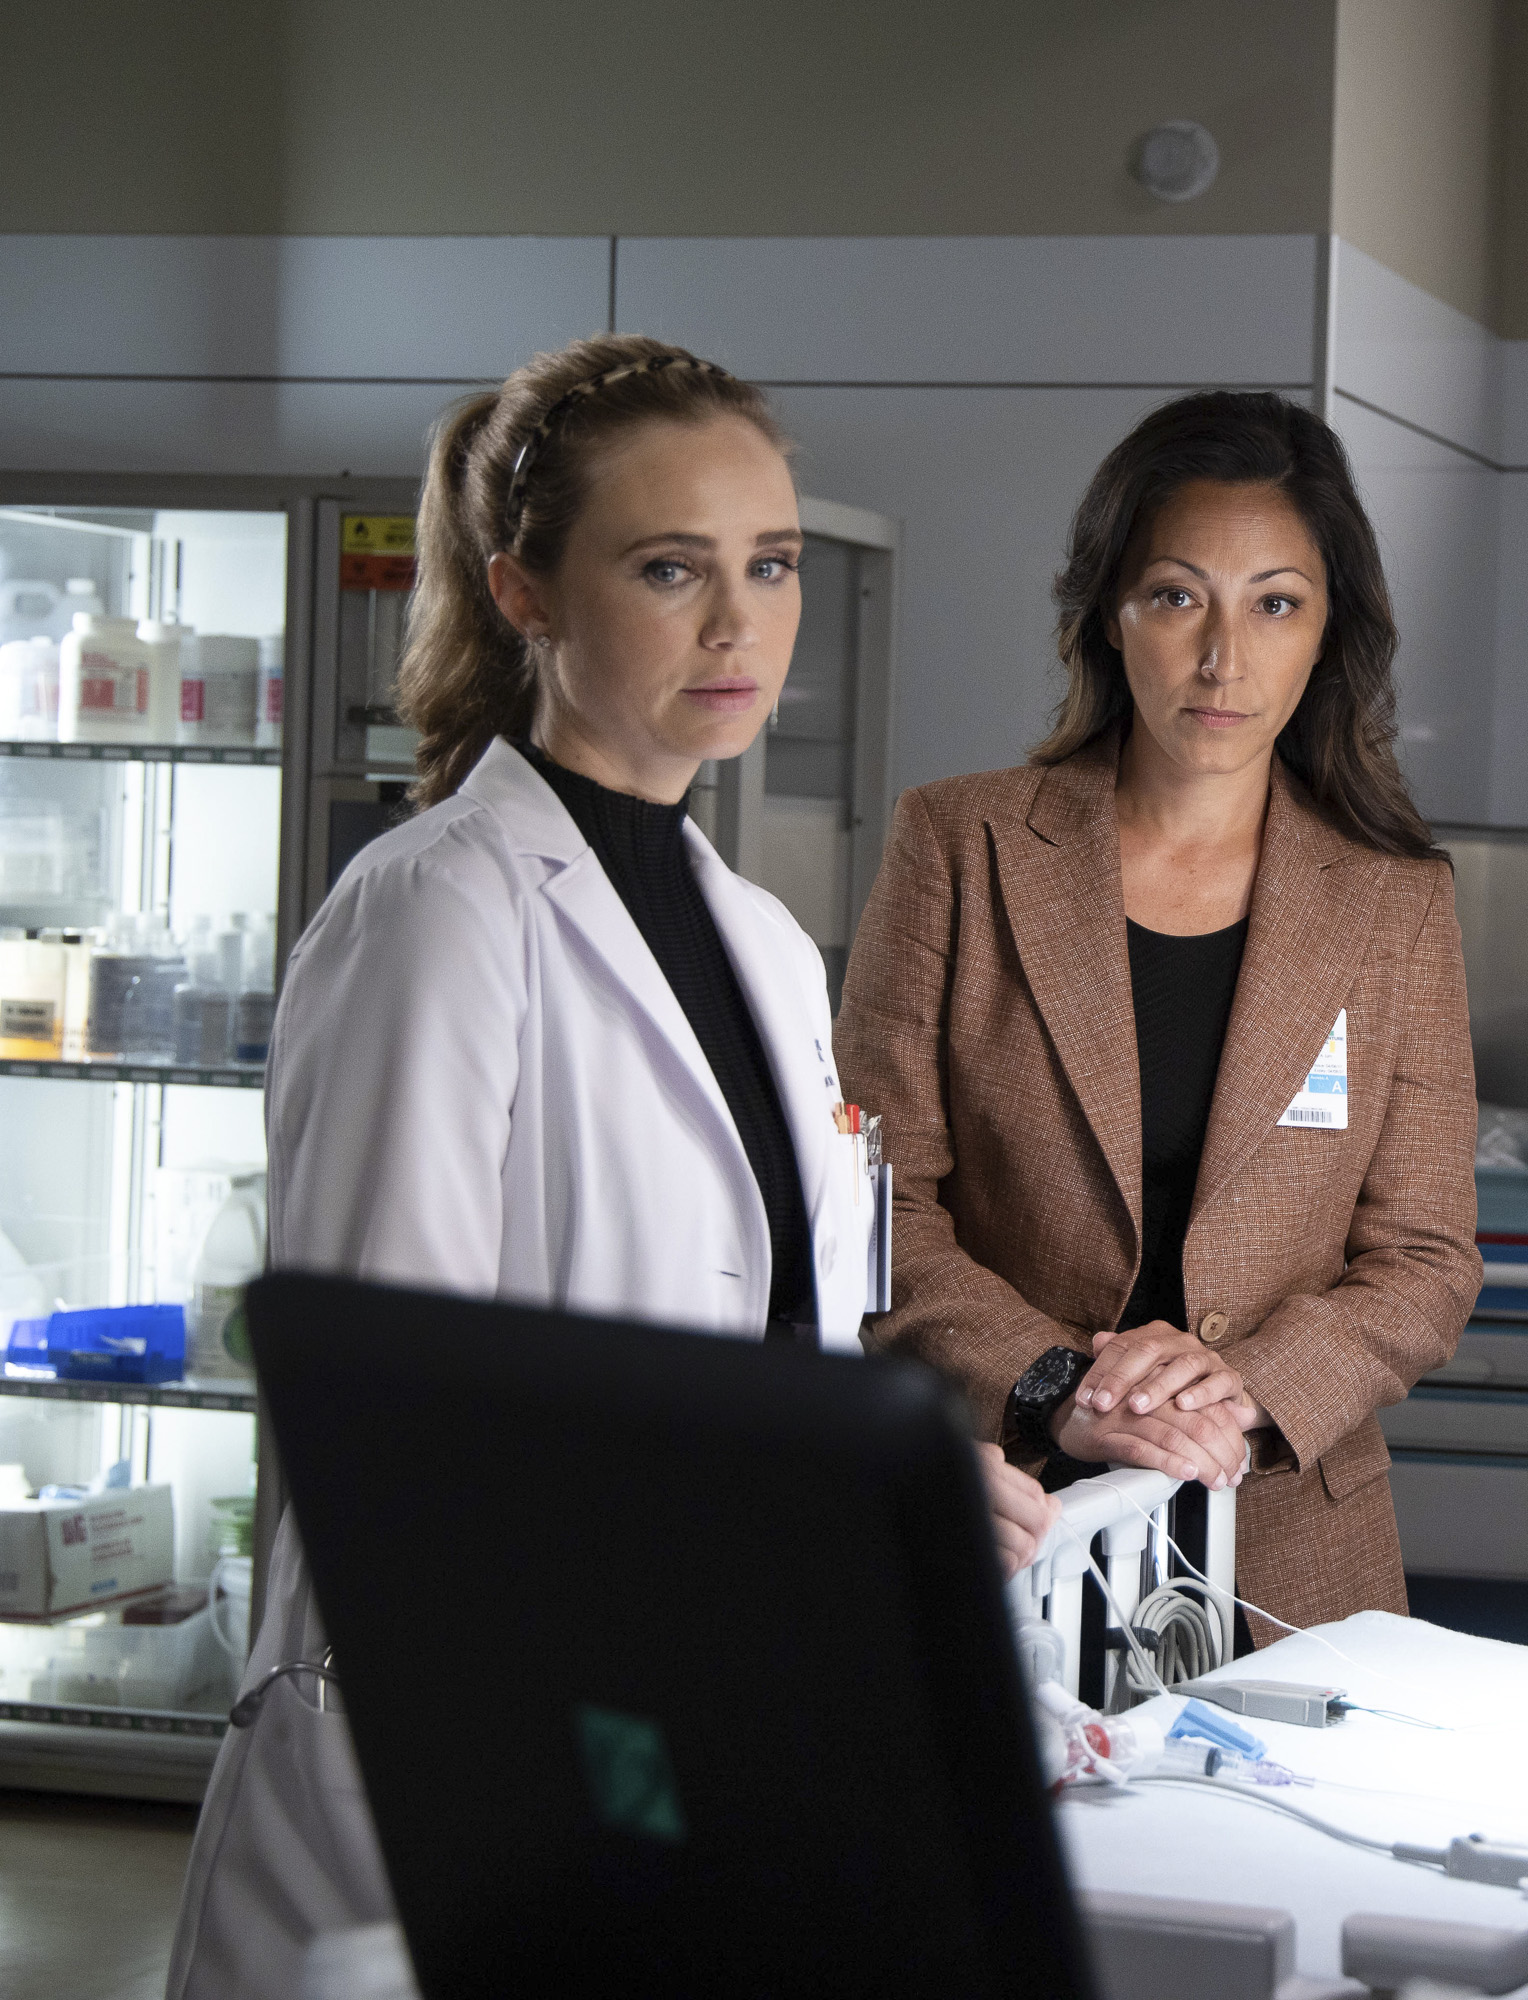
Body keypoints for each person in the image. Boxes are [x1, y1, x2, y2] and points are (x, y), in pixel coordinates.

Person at [168, 335, 1059, 2000]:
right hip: (456, 1744)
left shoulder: (763, 942)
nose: (739, 627)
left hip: (684, 1722)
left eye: (770, 566)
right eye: (669, 569)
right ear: (524, 591)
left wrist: (891, 1494)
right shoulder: (440, 914)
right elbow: (396, 1428)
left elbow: (768, 1349)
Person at [834, 390, 1477, 1639]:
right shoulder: (959, 846)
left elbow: (1427, 1257)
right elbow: (875, 1206)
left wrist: (1241, 1384)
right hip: (1011, 1521)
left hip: (1291, 1551)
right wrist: (1058, 1383)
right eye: (1178, 596)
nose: (1224, 657)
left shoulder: (1393, 900)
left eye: (1275, 604)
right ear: (1107, 614)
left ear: (1329, 630)